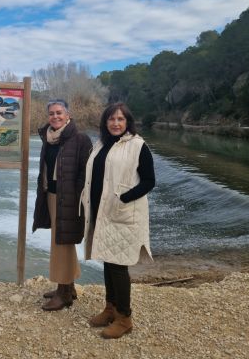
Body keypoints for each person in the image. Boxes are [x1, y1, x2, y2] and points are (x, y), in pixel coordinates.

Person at [80, 102, 155, 339]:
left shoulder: (138, 146)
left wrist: (125, 197)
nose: (115, 123)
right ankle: (110, 308)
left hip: (122, 213)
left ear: (127, 122)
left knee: (119, 265)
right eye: (111, 119)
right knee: (107, 260)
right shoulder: (101, 144)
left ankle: (124, 318)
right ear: (105, 122)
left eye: (120, 119)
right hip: (101, 212)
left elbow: (149, 181)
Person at [32, 99, 92, 311]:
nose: (55, 116)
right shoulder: (48, 138)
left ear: (68, 115)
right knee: (62, 242)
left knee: (61, 243)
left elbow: (86, 174)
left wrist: (76, 199)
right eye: (51, 113)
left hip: (69, 200)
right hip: (51, 196)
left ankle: (63, 293)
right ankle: (70, 286)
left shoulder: (80, 139)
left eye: (59, 112)